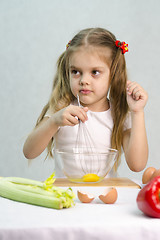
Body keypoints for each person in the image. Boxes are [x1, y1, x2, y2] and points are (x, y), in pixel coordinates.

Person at [23, 27, 148, 177]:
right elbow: (29, 152)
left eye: (95, 72)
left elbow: (137, 165)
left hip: (102, 197)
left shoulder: (118, 114)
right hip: (67, 195)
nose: (84, 81)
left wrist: (137, 112)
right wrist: (53, 122)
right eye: (76, 72)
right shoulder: (62, 108)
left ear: (113, 74)